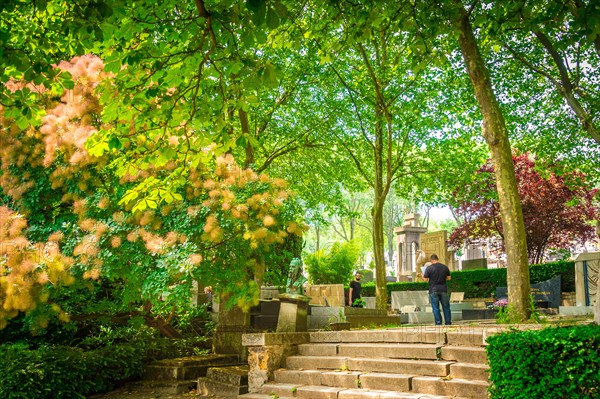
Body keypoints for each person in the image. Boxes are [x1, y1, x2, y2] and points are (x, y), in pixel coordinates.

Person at [423, 254, 451, 325]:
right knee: (446, 307)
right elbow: (449, 278)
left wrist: (422, 276)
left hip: (433, 290)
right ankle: (448, 322)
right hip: (443, 289)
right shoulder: (445, 267)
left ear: (431, 260)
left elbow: (425, 279)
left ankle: (438, 323)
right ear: (437, 259)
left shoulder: (429, 268)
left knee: (435, 308)